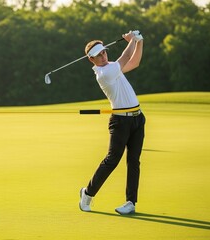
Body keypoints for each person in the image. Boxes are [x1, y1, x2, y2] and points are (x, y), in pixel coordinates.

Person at [79, 30, 145, 215]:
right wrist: (131, 40)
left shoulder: (111, 67)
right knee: (112, 160)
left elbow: (134, 62)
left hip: (138, 119)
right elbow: (124, 58)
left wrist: (139, 42)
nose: (102, 56)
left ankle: (131, 202)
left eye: (103, 52)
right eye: (97, 55)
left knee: (134, 162)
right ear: (91, 60)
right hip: (120, 122)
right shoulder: (104, 73)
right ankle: (88, 193)